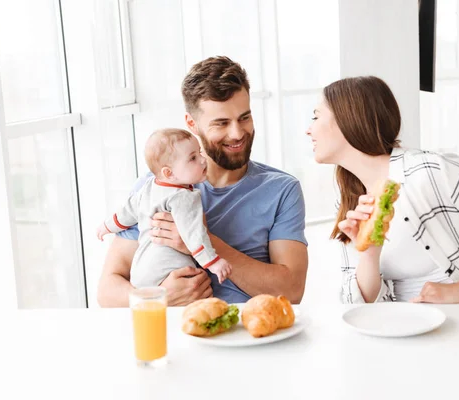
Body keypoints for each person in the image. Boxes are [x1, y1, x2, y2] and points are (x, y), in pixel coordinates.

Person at [306, 76, 459, 304]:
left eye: (316, 116)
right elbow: (357, 303)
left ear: (348, 119)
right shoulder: (350, 196)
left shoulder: (430, 172)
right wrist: (370, 253)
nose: (309, 129)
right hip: (406, 333)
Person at [97, 56, 308, 307]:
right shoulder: (156, 186)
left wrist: (199, 239)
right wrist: (157, 299)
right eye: (221, 123)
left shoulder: (281, 190)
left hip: (247, 334)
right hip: (175, 335)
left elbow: (292, 290)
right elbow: (107, 291)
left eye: (244, 118)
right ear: (191, 124)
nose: (237, 133)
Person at [96, 128, 232, 286]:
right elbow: (194, 234)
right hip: (169, 269)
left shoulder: (148, 187)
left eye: (199, 152)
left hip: (141, 271)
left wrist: (106, 226)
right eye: (193, 158)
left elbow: (126, 212)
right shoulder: (184, 197)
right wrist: (214, 263)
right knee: (200, 290)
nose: (203, 160)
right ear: (169, 173)